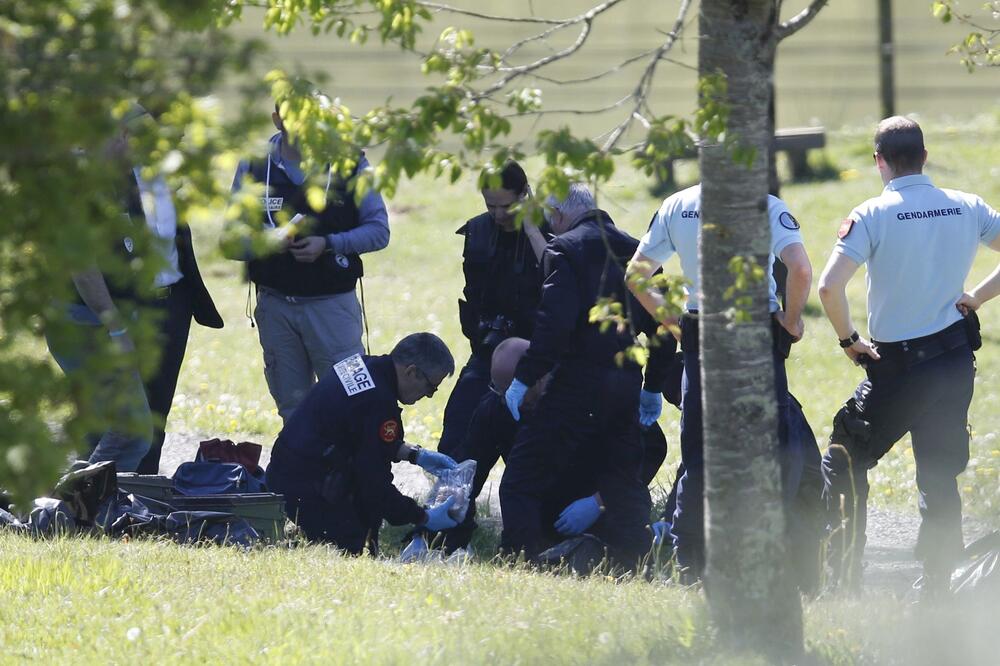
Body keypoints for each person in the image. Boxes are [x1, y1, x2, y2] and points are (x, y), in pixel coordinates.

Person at [816, 116, 1000, 596]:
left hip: (897, 366)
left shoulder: (872, 214)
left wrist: (848, 340)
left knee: (845, 456)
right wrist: (976, 297)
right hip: (955, 359)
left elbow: (829, 287)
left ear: (879, 161)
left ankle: (843, 581)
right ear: (924, 155)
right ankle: (938, 586)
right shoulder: (966, 206)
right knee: (939, 475)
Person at [626, 181, 813, 578]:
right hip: (755, 337)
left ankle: (689, 562)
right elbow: (799, 267)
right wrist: (792, 321)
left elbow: (636, 274)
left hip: (701, 338)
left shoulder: (677, 204)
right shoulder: (763, 204)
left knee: (699, 456)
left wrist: (673, 321)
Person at [46, 105, 223, 473]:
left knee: (152, 413)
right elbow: (84, 266)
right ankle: (87, 499)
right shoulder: (88, 180)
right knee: (121, 423)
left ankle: (132, 502)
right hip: (106, 312)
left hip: (170, 304)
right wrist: (116, 325)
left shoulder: (164, 173)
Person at [500, 184, 668, 567]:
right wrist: (653, 386)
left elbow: (553, 325)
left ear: (558, 216)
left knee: (520, 480)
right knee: (621, 479)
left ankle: (523, 562)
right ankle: (635, 561)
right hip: (626, 384)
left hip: (577, 385)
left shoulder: (565, 249)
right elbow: (664, 324)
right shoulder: (639, 251)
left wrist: (525, 378)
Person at [226, 100, 389, 421]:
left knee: (352, 404)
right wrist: (267, 241)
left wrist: (329, 243)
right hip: (275, 307)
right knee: (293, 411)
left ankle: (353, 472)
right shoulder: (254, 164)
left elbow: (379, 231)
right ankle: (303, 471)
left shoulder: (350, 163)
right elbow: (230, 241)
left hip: (333, 307)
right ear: (277, 120)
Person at [265, 333, 461, 554]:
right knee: (360, 543)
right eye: (431, 387)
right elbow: (374, 484)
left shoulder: (363, 365)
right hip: (307, 489)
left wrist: (414, 454)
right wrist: (422, 516)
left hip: (285, 472)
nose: (429, 396)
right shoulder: (377, 402)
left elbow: (356, 435)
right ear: (412, 371)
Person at [437, 161, 548, 457]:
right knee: (457, 435)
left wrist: (532, 229)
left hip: (540, 356)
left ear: (525, 194)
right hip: (489, 349)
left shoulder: (549, 230)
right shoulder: (478, 231)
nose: (498, 215)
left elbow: (558, 279)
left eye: (507, 206)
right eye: (491, 206)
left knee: (531, 446)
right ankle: (455, 499)